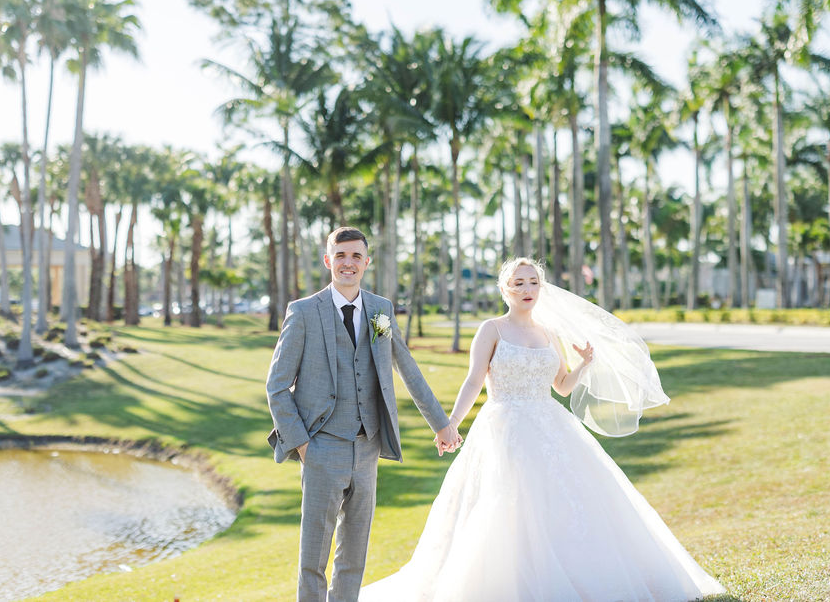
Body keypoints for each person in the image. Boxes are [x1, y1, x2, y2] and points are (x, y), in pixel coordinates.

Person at [360, 258, 726, 601]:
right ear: (506, 289)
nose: (527, 288)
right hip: (503, 427)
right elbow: (473, 381)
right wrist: (451, 424)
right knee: (508, 503)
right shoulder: (492, 330)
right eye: (518, 283)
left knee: (568, 503)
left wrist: (585, 364)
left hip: (551, 425)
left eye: (533, 282)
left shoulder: (550, 334)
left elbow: (563, 386)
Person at [266, 226, 462, 602]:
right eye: (340, 255)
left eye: (356, 256)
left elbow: (407, 367)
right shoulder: (304, 312)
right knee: (313, 559)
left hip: (367, 448)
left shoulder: (380, 310)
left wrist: (442, 424)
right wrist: (305, 447)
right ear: (328, 261)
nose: (348, 263)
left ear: (367, 262)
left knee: (354, 557)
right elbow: (276, 386)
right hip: (322, 448)